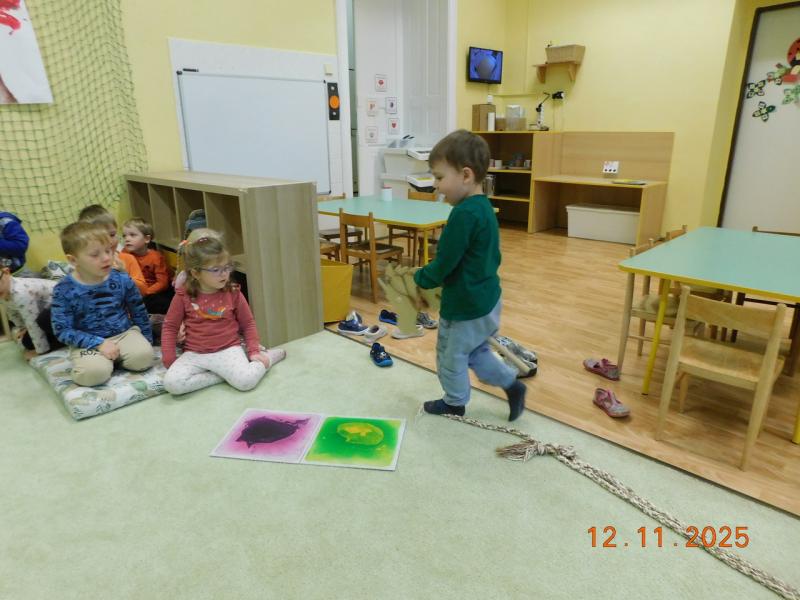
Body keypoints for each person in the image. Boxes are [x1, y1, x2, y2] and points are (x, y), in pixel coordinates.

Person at [413, 129, 527, 421]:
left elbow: (445, 263)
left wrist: (421, 278)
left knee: (450, 356)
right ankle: (511, 385)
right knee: (476, 353)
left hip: (465, 306)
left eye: (439, 177)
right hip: (487, 300)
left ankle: (454, 403)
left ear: (465, 175)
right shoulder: (484, 207)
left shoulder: (463, 214)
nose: (436, 186)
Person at [160, 232, 285, 396]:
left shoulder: (233, 292)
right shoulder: (183, 295)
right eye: (216, 270)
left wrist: (254, 351)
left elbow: (248, 323)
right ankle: (221, 376)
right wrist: (169, 358)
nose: (224, 274)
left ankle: (268, 358)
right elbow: (170, 327)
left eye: (227, 267)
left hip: (228, 350)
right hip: (195, 353)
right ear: (196, 273)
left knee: (246, 382)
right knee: (172, 384)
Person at [50, 222, 153, 386]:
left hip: (124, 334)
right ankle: (100, 363)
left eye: (108, 250)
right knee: (93, 374)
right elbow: (62, 330)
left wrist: (147, 340)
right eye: (95, 255)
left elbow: (138, 311)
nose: (106, 258)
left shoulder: (122, 279)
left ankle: (115, 359)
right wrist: (98, 343)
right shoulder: (63, 290)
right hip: (88, 343)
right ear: (73, 260)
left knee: (144, 358)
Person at [78, 204, 147, 295]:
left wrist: (123, 273)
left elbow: (143, 291)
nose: (110, 241)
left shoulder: (128, 259)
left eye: (112, 234)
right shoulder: (85, 264)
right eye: (101, 237)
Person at [0, 258, 61, 360]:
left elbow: (33, 322)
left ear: (6, 272)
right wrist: (23, 328)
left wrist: (41, 351)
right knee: (27, 343)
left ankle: (66, 340)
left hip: (69, 308)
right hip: (48, 313)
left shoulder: (21, 293)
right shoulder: (3, 291)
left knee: (42, 321)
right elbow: (11, 311)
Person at [121, 217, 174, 314]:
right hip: (134, 290)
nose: (127, 239)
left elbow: (162, 283)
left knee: (165, 302)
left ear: (147, 239)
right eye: (124, 236)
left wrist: (146, 292)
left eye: (132, 235)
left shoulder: (155, 257)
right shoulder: (125, 254)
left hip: (153, 291)